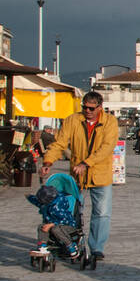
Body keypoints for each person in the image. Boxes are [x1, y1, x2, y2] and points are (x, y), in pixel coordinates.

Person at [41, 92, 118, 263]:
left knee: (102, 213)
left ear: (100, 107)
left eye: (91, 108)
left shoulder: (110, 122)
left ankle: (97, 247)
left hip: (100, 174)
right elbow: (60, 143)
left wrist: (86, 163)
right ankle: (71, 243)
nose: (87, 111)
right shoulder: (72, 120)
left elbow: (107, 147)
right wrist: (48, 161)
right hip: (77, 175)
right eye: (84, 107)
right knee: (71, 211)